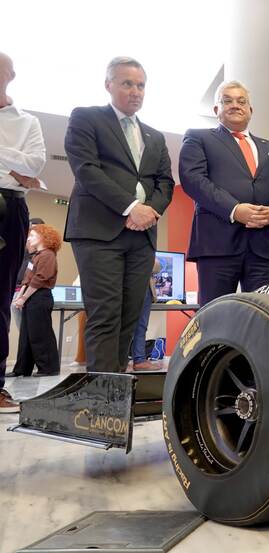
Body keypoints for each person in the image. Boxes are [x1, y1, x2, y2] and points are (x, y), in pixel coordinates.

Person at [64, 56, 174, 373]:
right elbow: (87, 170)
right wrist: (130, 207)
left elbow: (165, 182)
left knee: (129, 316)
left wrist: (151, 210)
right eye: (127, 83)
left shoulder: (155, 136)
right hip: (99, 231)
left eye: (140, 85)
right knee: (105, 314)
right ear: (108, 85)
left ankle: (115, 390)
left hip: (142, 237)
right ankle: (100, 399)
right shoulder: (86, 118)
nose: (135, 91)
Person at [180, 80, 269, 305]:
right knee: (216, 316)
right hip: (218, 245)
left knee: (265, 316)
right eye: (227, 100)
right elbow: (193, 179)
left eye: (241, 101)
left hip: (263, 246)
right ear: (216, 110)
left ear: (250, 110)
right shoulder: (198, 138)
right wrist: (234, 209)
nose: (235, 105)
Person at [0, 51, 46, 412]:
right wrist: (12, 164)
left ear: (10, 75)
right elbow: (21, 165)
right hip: (11, 190)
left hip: (8, 208)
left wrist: (16, 172)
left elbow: (34, 164)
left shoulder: (27, 121)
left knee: (0, 301)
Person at [10, 224, 61, 377]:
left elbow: (40, 279)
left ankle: (49, 368)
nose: (29, 238)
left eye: (32, 235)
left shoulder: (48, 255)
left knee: (40, 334)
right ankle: (22, 369)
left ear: (43, 237)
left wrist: (24, 297)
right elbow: (27, 279)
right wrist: (20, 298)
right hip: (31, 297)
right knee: (26, 335)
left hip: (40, 297)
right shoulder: (36, 256)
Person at [129, 257, 161, 372]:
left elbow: (157, 267)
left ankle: (139, 360)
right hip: (128, 285)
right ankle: (133, 359)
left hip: (143, 287)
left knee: (141, 326)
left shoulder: (144, 247)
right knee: (124, 325)